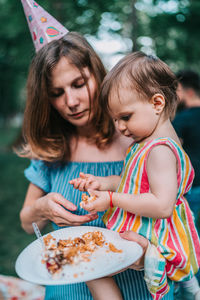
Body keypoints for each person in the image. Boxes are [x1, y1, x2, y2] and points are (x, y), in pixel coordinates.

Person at [70, 52, 200, 300]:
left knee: (90, 264)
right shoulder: (143, 144)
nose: (119, 127)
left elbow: (162, 206)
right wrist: (103, 183)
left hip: (158, 239)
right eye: (115, 119)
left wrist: (110, 199)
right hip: (148, 232)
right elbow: (130, 183)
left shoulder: (160, 150)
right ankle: (190, 287)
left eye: (125, 117)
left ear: (157, 103)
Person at [173, 70, 200, 227]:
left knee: (188, 229)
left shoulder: (182, 119)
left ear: (189, 92)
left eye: (178, 90)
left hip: (192, 185)